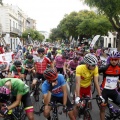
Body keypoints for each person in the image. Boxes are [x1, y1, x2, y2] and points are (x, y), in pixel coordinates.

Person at [99, 51, 120, 120]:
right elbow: (95, 72)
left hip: (113, 91)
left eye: (115, 60)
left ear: (118, 60)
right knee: (102, 109)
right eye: (112, 59)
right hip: (105, 91)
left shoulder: (119, 68)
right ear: (110, 59)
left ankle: (112, 110)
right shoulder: (105, 68)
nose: (114, 61)